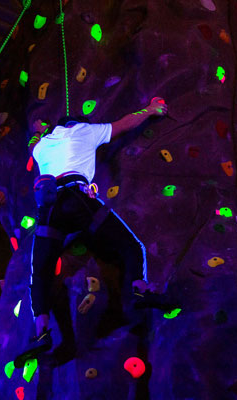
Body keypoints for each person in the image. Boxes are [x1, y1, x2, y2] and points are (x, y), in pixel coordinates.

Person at [14, 97, 173, 367]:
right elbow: (125, 124)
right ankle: (139, 289)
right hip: (77, 200)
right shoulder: (84, 130)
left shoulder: (41, 146)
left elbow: (32, 144)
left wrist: (39, 131)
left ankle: (41, 332)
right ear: (77, 124)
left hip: (48, 207)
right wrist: (150, 109)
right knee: (131, 246)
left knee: (39, 273)